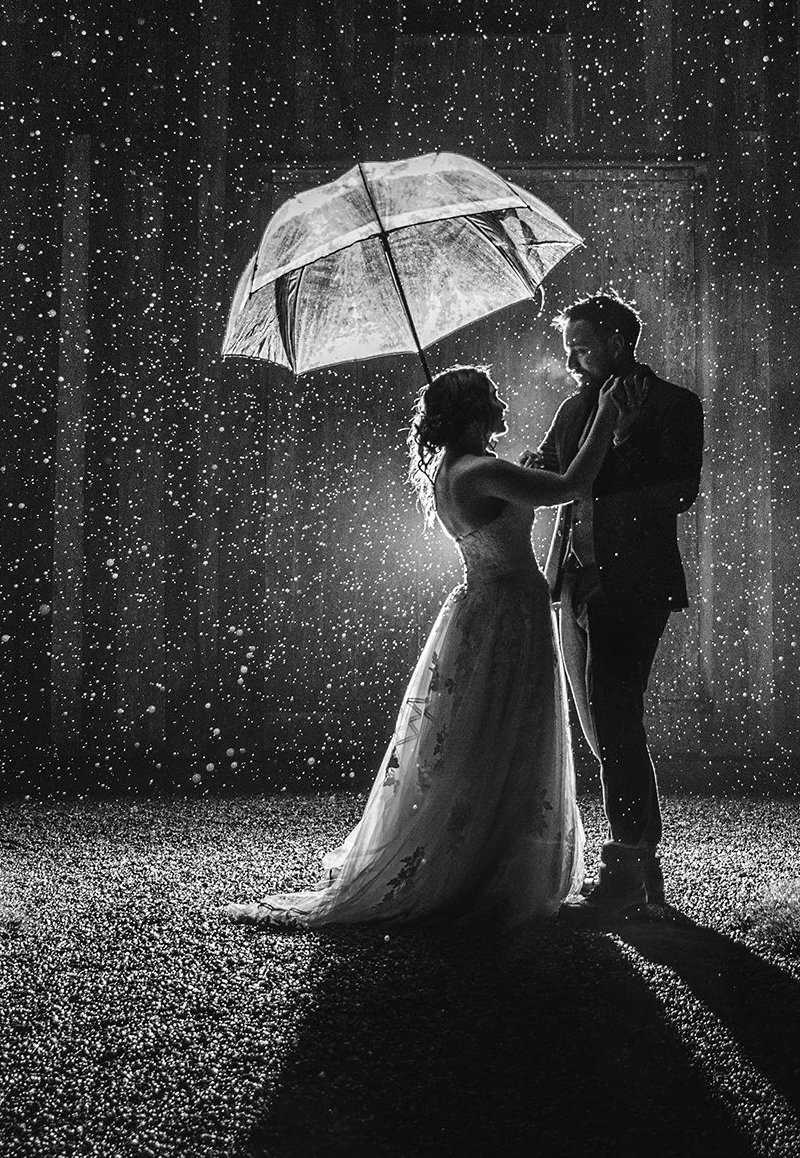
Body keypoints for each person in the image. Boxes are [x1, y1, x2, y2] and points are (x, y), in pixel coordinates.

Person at [229, 364, 638, 930]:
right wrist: (606, 416)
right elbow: (573, 487)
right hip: (508, 614)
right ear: (473, 414)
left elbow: (526, 493)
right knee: (508, 730)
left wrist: (530, 470)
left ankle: (478, 853)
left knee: (481, 734)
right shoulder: (480, 470)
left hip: (484, 606)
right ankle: (483, 872)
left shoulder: (455, 469)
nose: (502, 403)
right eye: (492, 397)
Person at [525, 291, 704, 922]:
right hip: (574, 580)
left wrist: (619, 440)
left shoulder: (676, 405)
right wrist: (525, 466)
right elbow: (553, 470)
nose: (571, 355)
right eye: (567, 344)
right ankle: (641, 867)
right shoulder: (575, 407)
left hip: (635, 583)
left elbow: (679, 491)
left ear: (620, 341)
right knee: (604, 721)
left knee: (616, 710)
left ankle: (629, 860)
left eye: (582, 343)